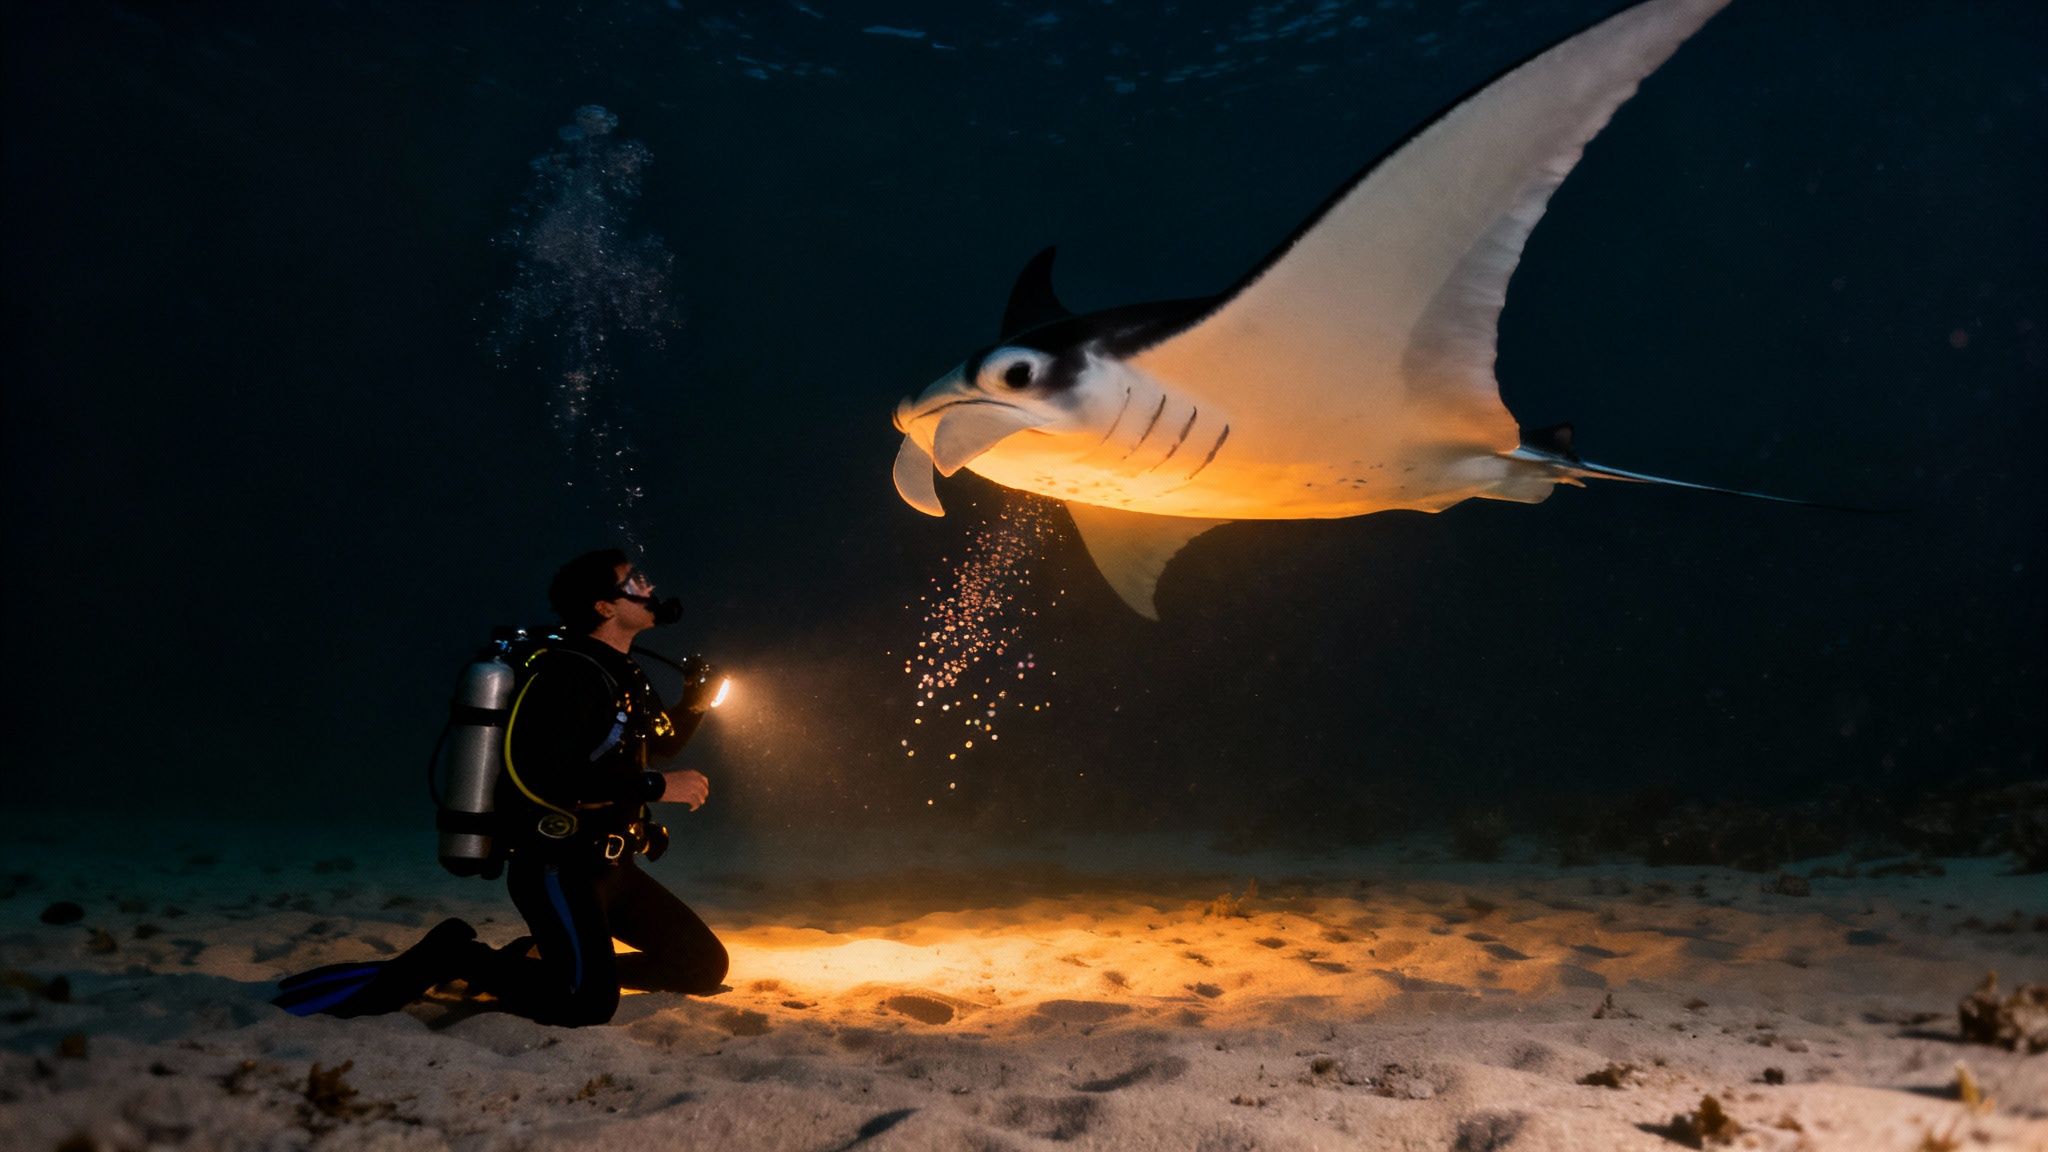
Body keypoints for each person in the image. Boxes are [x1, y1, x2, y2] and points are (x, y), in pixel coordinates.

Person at [272, 549, 729, 1025]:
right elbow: (546, 775)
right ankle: (457, 956)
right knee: (587, 1005)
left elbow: (660, 742)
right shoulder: (568, 674)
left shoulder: (623, 671)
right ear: (604, 606)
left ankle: (546, 968)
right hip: (560, 866)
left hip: (613, 868)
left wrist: (695, 701)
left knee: (701, 965)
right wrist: (655, 786)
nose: (648, 587)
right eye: (633, 581)